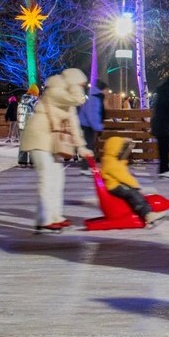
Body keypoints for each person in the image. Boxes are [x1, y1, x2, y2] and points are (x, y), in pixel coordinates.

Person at [20, 68, 93, 234]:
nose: (81, 88)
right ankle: (44, 220)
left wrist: (82, 147)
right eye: (79, 84)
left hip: (51, 140)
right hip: (39, 137)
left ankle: (55, 216)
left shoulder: (67, 99)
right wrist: (75, 86)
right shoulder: (55, 91)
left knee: (58, 178)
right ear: (72, 81)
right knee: (47, 177)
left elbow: (74, 124)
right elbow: (78, 99)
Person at [100, 136, 166, 227]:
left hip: (115, 185)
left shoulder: (110, 159)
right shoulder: (111, 162)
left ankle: (146, 212)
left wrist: (128, 145)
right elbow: (123, 176)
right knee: (132, 193)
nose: (121, 150)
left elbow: (122, 163)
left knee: (133, 192)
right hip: (115, 186)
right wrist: (134, 184)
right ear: (114, 149)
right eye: (120, 148)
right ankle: (147, 215)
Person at [78, 80, 108, 174]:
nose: (107, 92)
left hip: (87, 124)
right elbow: (93, 115)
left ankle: (87, 166)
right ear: (101, 89)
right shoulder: (95, 99)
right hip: (87, 125)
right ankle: (85, 167)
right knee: (88, 145)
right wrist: (99, 126)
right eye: (106, 90)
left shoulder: (95, 97)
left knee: (89, 145)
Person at [17, 84, 39, 168]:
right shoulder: (35, 101)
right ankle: (33, 160)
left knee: (23, 143)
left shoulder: (22, 100)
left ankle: (22, 160)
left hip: (22, 125)